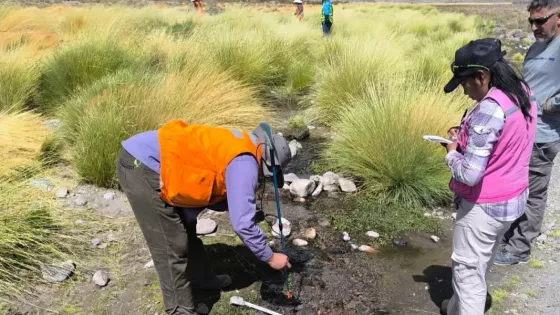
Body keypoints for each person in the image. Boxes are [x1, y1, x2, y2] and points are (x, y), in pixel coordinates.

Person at [116, 120, 292, 315]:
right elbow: (242, 225)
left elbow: (211, 182)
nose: (263, 179)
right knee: (171, 246)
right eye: (267, 176)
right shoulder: (245, 162)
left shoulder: (244, 144)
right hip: (142, 164)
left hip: (162, 165)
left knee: (184, 232)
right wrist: (270, 257)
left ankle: (202, 281)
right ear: (268, 164)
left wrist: (245, 208)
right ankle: (179, 310)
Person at [439, 38, 537, 315]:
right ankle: (454, 308)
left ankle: (465, 308)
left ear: (481, 75)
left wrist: (450, 151)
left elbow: (470, 174)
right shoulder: (522, 92)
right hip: (513, 201)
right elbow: (508, 139)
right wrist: (468, 134)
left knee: (468, 273)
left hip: (484, 208)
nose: (464, 91)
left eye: (464, 83)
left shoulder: (489, 108)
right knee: (479, 263)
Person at [495, 0, 560, 266]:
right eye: (531, 21)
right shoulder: (537, 46)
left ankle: (519, 248)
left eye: (540, 20)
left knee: (533, 194)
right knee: (517, 187)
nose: (534, 27)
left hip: (543, 136)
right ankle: (513, 236)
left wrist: (552, 104)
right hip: (522, 130)